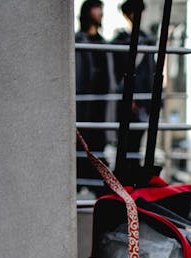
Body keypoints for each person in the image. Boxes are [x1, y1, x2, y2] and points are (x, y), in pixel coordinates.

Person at [75, 0, 115, 194]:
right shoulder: (78, 40)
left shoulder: (102, 42)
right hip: (83, 106)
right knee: (81, 149)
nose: (100, 12)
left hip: (100, 104)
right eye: (96, 8)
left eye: (101, 8)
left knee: (97, 147)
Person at [112, 0, 156, 168]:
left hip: (143, 98)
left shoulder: (146, 39)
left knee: (135, 142)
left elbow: (150, 70)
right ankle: (127, 177)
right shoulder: (122, 40)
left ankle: (130, 177)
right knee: (127, 141)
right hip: (130, 98)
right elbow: (118, 73)